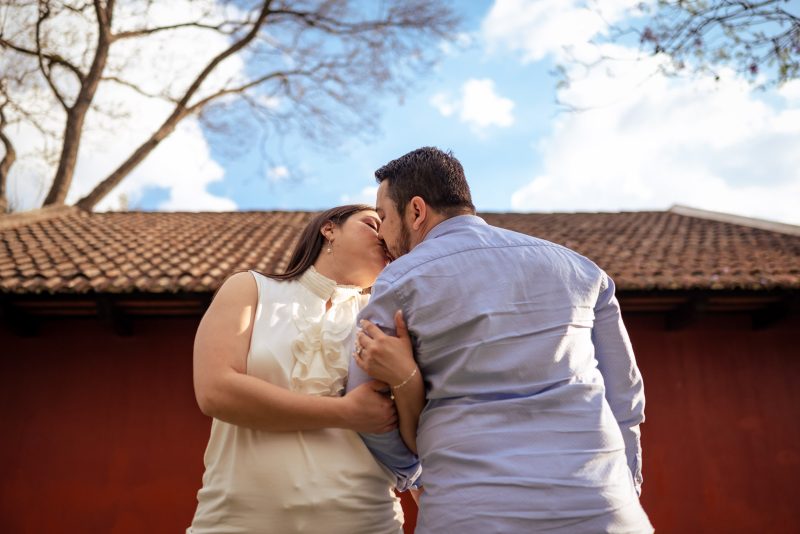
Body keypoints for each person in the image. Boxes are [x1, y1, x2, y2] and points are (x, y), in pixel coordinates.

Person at [349, 147, 654, 533]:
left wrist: (415, 475)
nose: (382, 234)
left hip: (473, 510)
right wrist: (626, 484)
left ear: (416, 211)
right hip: (602, 507)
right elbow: (625, 396)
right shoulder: (581, 270)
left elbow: (367, 408)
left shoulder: (399, 280)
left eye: (384, 218)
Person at [188, 204, 423, 533]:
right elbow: (216, 391)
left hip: (367, 521)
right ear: (329, 229)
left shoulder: (389, 318)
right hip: (235, 521)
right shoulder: (250, 288)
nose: (385, 236)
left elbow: (419, 437)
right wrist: (345, 412)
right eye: (373, 224)